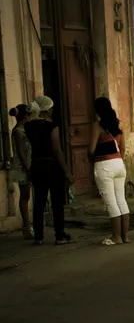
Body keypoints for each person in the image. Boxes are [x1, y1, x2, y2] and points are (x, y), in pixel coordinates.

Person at [24, 95, 72, 245]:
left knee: (39, 201)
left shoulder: (28, 126)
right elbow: (56, 150)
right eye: (51, 109)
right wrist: (67, 171)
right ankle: (59, 235)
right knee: (57, 201)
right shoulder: (52, 127)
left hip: (36, 165)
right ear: (47, 110)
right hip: (51, 165)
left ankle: (38, 236)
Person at [89, 97, 130, 246]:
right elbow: (123, 148)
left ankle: (116, 237)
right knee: (121, 200)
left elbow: (91, 150)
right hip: (119, 163)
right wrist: (118, 160)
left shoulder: (97, 126)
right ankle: (125, 236)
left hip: (104, 165)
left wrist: (91, 158)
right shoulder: (118, 124)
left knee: (111, 202)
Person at [8, 104, 34, 238]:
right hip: (22, 167)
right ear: (26, 116)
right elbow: (21, 152)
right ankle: (26, 226)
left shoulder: (23, 129)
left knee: (27, 195)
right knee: (25, 196)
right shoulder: (18, 131)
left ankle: (28, 225)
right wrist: (28, 168)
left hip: (26, 165)